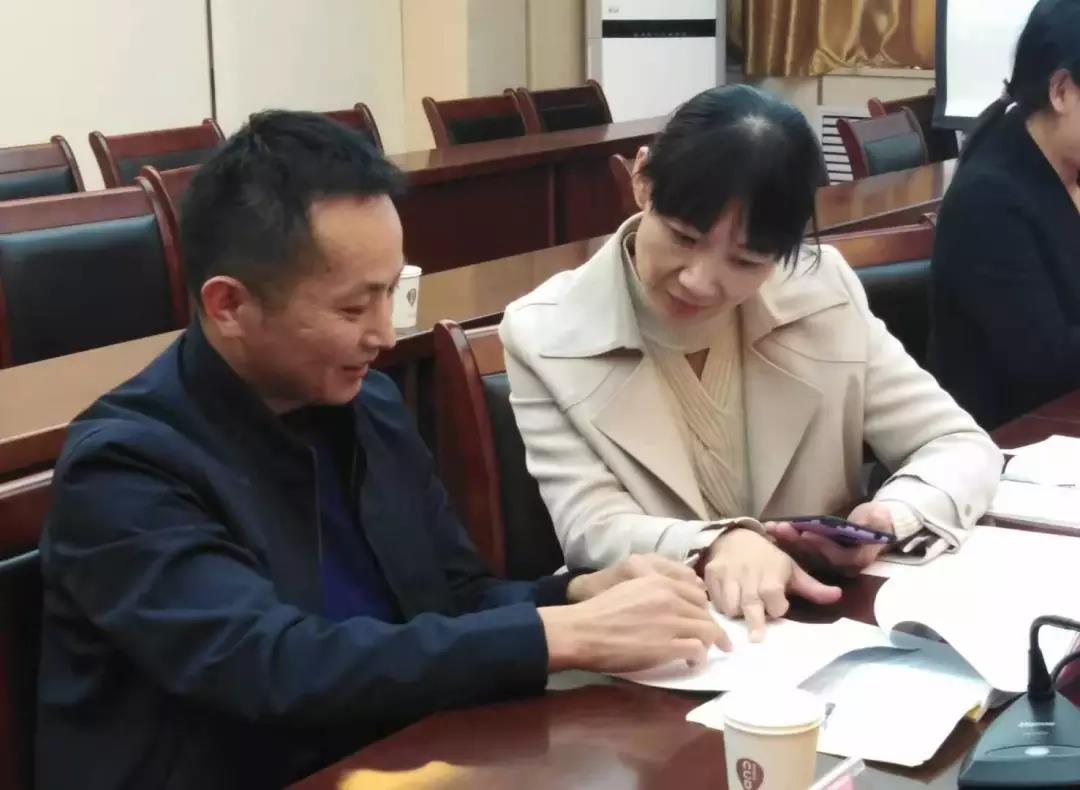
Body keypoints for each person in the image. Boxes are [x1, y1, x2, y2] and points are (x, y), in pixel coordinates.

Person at [35, 111, 728, 790]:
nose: (386, 336)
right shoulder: (126, 465)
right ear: (228, 306)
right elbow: (274, 665)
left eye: (392, 292)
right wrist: (561, 634)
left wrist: (573, 592)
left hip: (395, 761)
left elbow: (452, 598)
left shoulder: (366, 404)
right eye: (352, 307)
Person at [500, 85, 1002, 640]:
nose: (700, 281)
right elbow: (591, 527)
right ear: (642, 180)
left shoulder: (820, 289)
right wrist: (718, 543)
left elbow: (957, 443)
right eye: (683, 237)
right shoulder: (545, 333)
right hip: (664, 642)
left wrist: (892, 516)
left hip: (823, 625)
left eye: (745, 261)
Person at [929, 0, 1080, 429]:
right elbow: (1047, 362)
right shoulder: (989, 199)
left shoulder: (1064, 162)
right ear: (1061, 91)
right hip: (1006, 439)